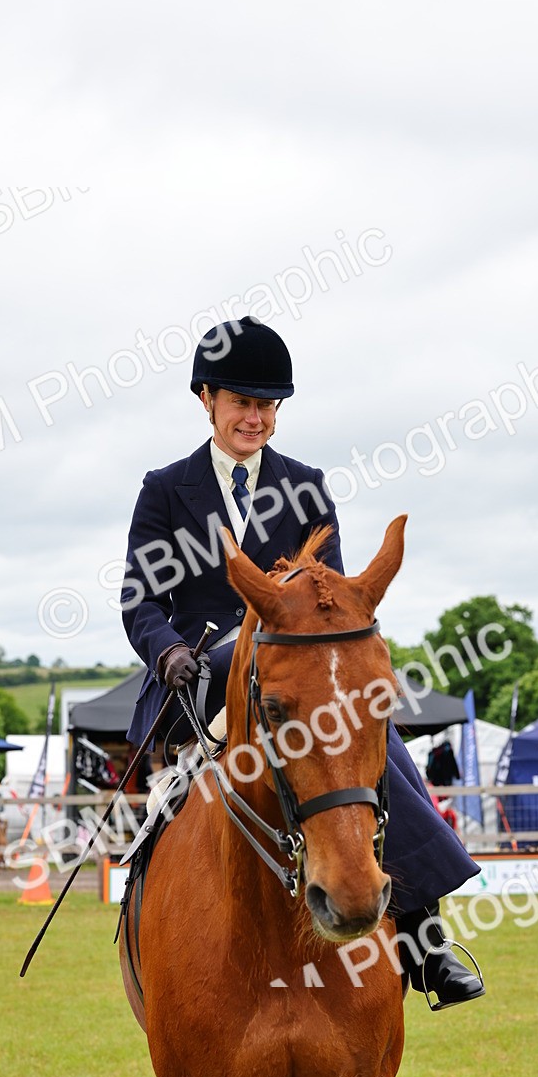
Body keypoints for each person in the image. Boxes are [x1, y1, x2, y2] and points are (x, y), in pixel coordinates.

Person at [120, 315, 485, 1010]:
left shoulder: (307, 484)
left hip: (293, 671)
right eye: (240, 403)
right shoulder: (165, 489)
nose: (254, 418)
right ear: (207, 400)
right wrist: (166, 651)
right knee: (174, 801)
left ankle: (424, 936)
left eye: (266, 406)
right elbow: (139, 597)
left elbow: (334, 599)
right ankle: (144, 907)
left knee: (375, 742)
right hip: (199, 672)